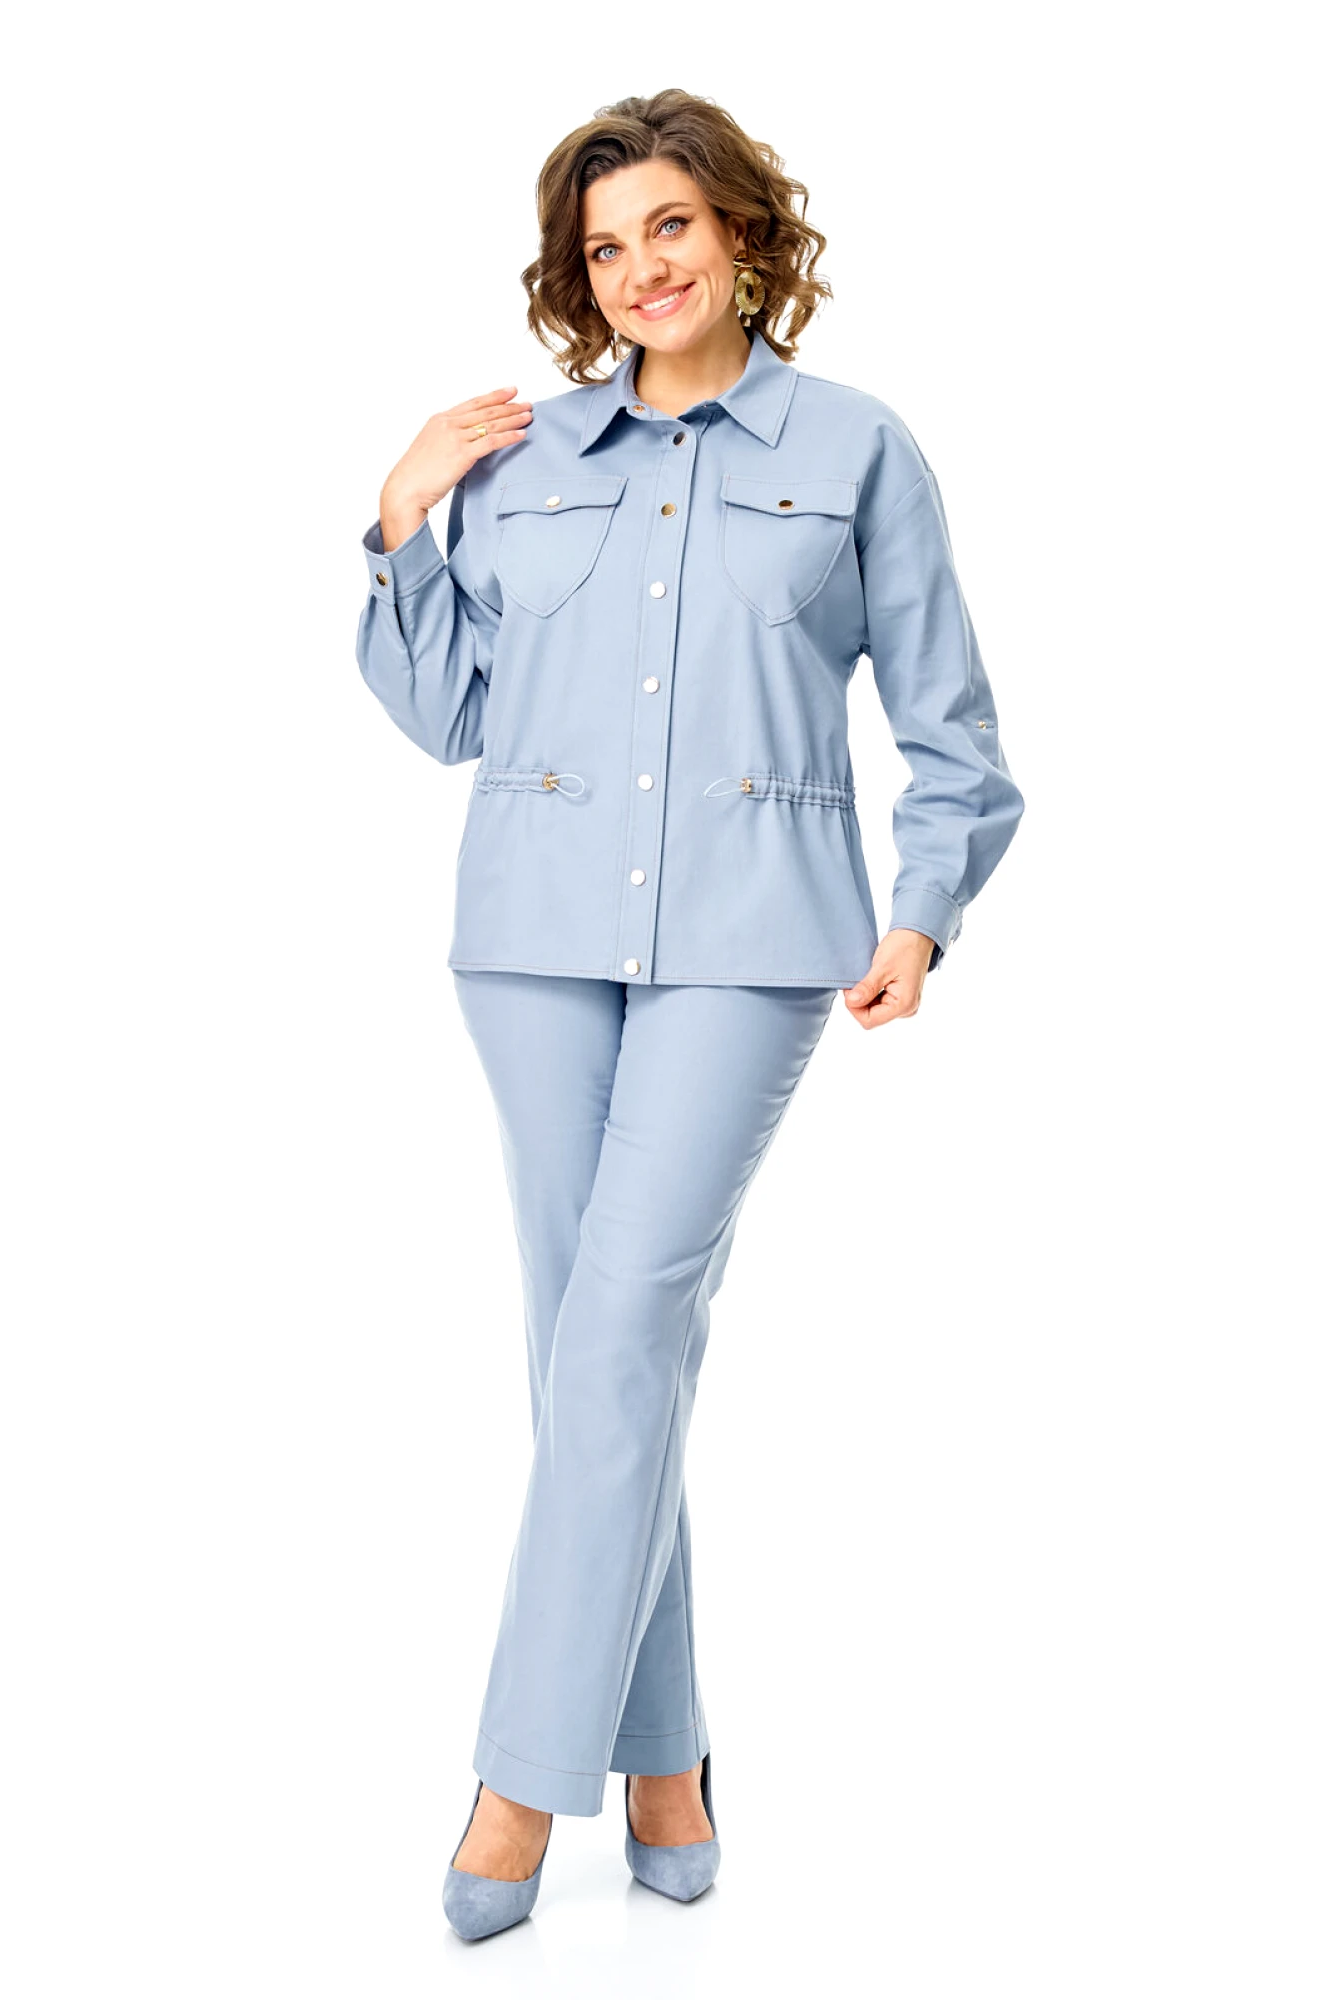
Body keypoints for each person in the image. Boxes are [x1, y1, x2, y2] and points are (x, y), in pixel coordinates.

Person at [355, 87, 1023, 1941]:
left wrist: (926, 909)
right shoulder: (525, 456)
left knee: (620, 1329)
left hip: (752, 939)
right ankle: (667, 1762)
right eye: (604, 247)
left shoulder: (859, 446)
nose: (640, 269)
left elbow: (954, 727)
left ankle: (515, 1784)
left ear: (740, 233)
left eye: (670, 226)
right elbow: (454, 714)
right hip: (529, 941)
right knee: (599, 1356)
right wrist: (401, 519)